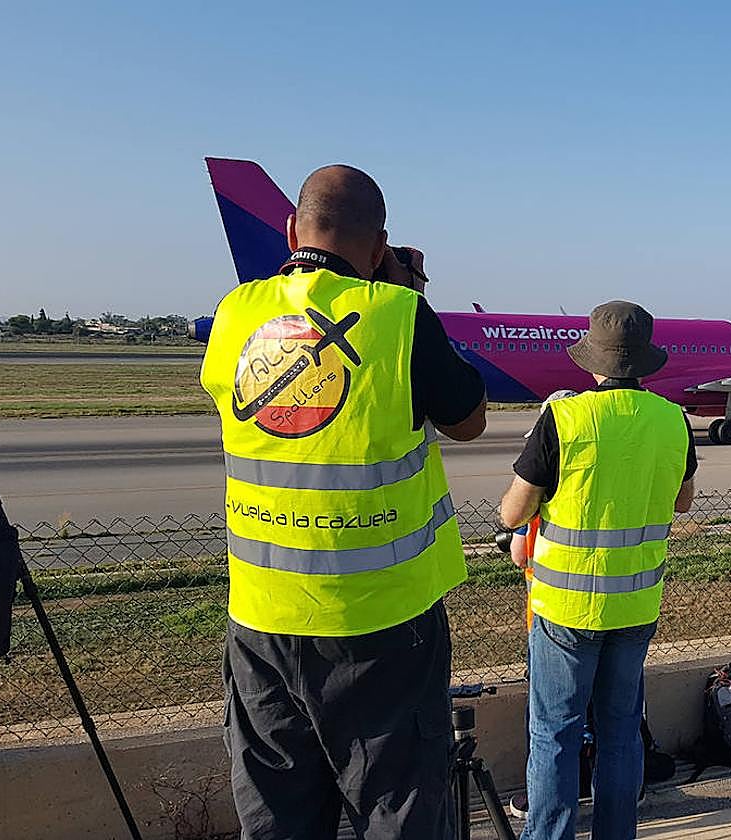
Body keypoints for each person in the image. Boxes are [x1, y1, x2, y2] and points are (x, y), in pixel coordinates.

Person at [200, 164, 486, 840]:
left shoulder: (236, 313)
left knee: (276, 817)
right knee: (396, 810)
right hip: (379, 619)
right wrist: (400, 295)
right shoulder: (396, 316)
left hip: (263, 614)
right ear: (381, 242)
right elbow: (469, 418)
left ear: (292, 228)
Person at [499, 301, 696, 840]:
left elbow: (512, 512)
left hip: (564, 609)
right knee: (621, 734)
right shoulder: (673, 420)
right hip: (635, 604)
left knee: (555, 735)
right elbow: (683, 501)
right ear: (645, 363)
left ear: (593, 361)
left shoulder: (563, 419)